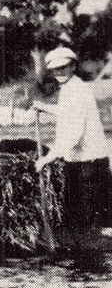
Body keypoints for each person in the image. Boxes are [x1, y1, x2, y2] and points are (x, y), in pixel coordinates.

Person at [32, 47, 112, 235]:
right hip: (78, 162)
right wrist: (45, 107)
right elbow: (68, 112)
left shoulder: (77, 90)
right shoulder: (69, 88)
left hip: (90, 164)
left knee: (89, 222)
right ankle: (83, 252)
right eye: (55, 69)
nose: (59, 72)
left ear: (73, 66)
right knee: (79, 218)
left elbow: (73, 134)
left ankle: (91, 257)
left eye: (63, 67)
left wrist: (47, 158)